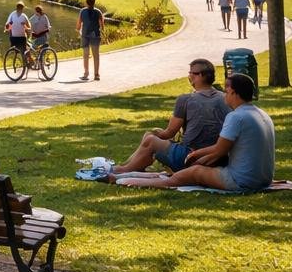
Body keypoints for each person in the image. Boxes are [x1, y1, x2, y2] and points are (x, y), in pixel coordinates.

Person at [114, 74, 275, 191]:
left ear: (233, 92)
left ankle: (123, 180)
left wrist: (193, 155)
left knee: (185, 176)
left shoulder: (236, 116)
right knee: (193, 172)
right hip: (263, 179)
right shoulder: (261, 114)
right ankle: (128, 175)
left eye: (226, 90)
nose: (224, 93)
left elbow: (219, 150)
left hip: (242, 181)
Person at [107, 58, 230, 175]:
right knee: (154, 137)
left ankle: (126, 169)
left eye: (192, 73)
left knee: (150, 139)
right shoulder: (225, 98)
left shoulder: (186, 99)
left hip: (192, 157)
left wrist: (153, 134)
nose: (189, 76)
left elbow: (169, 133)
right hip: (220, 157)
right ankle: (134, 164)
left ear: (200, 75)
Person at [77, 0, 104, 81]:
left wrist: (78, 30)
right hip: (95, 35)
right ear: (94, 3)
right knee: (96, 55)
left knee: (86, 54)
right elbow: (102, 25)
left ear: (86, 3)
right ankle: (96, 75)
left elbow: (78, 24)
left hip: (85, 35)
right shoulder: (98, 12)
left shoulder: (82, 11)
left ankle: (86, 74)